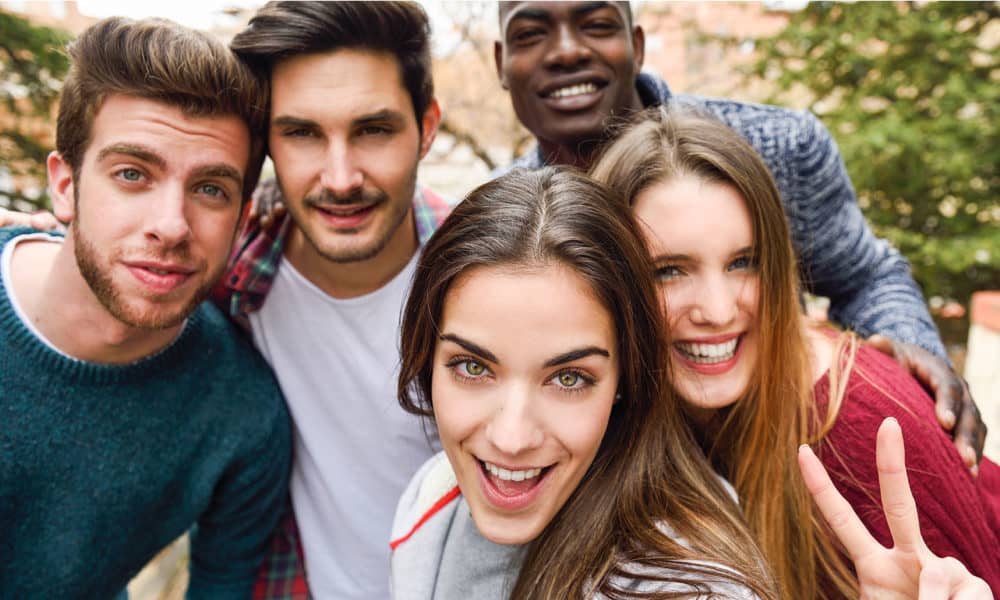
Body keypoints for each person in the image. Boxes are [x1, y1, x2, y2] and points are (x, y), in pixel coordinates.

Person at [492, 0, 986, 466]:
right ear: (500, 62)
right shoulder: (501, 221)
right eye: (531, 33)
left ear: (637, 46)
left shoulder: (778, 149)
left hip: (783, 478)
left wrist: (916, 369)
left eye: (596, 24)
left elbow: (865, 276)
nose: (566, 51)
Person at [589, 107, 1000, 599]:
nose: (718, 311)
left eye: (745, 262)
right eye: (670, 271)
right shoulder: (623, 410)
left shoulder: (863, 428)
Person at [0, 17, 290, 600]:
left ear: (241, 215)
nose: (171, 226)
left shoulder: (245, 414)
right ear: (65, 185)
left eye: (211, 188)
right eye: (132, 174)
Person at [390, 166, 776, 600]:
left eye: (568, 378)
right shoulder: (429, 498)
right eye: (473, 368)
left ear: (624, 380)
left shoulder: (692, 585)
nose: (512, 438)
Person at [223, 3, 451, 598]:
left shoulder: (492, 277)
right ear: (264, 142)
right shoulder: (231, 280)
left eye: (373, 130)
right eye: (301, 133)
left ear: (426, 126)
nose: (341, 176)